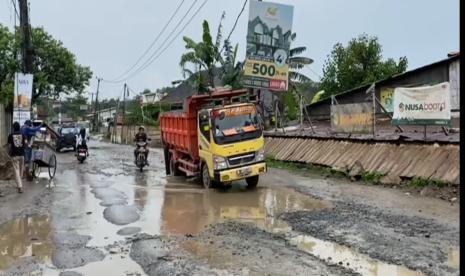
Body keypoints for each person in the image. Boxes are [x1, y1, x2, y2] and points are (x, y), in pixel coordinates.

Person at [7, 122, 25, 193]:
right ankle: (19, 183)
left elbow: (9, 146)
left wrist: (9, 153)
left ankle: (20, 187)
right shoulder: (23, 135)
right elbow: (25, 143)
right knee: (20, 171)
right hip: (22, 155)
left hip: (14, 155)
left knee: (16, 171)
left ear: (13, 128)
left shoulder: (11, 135)